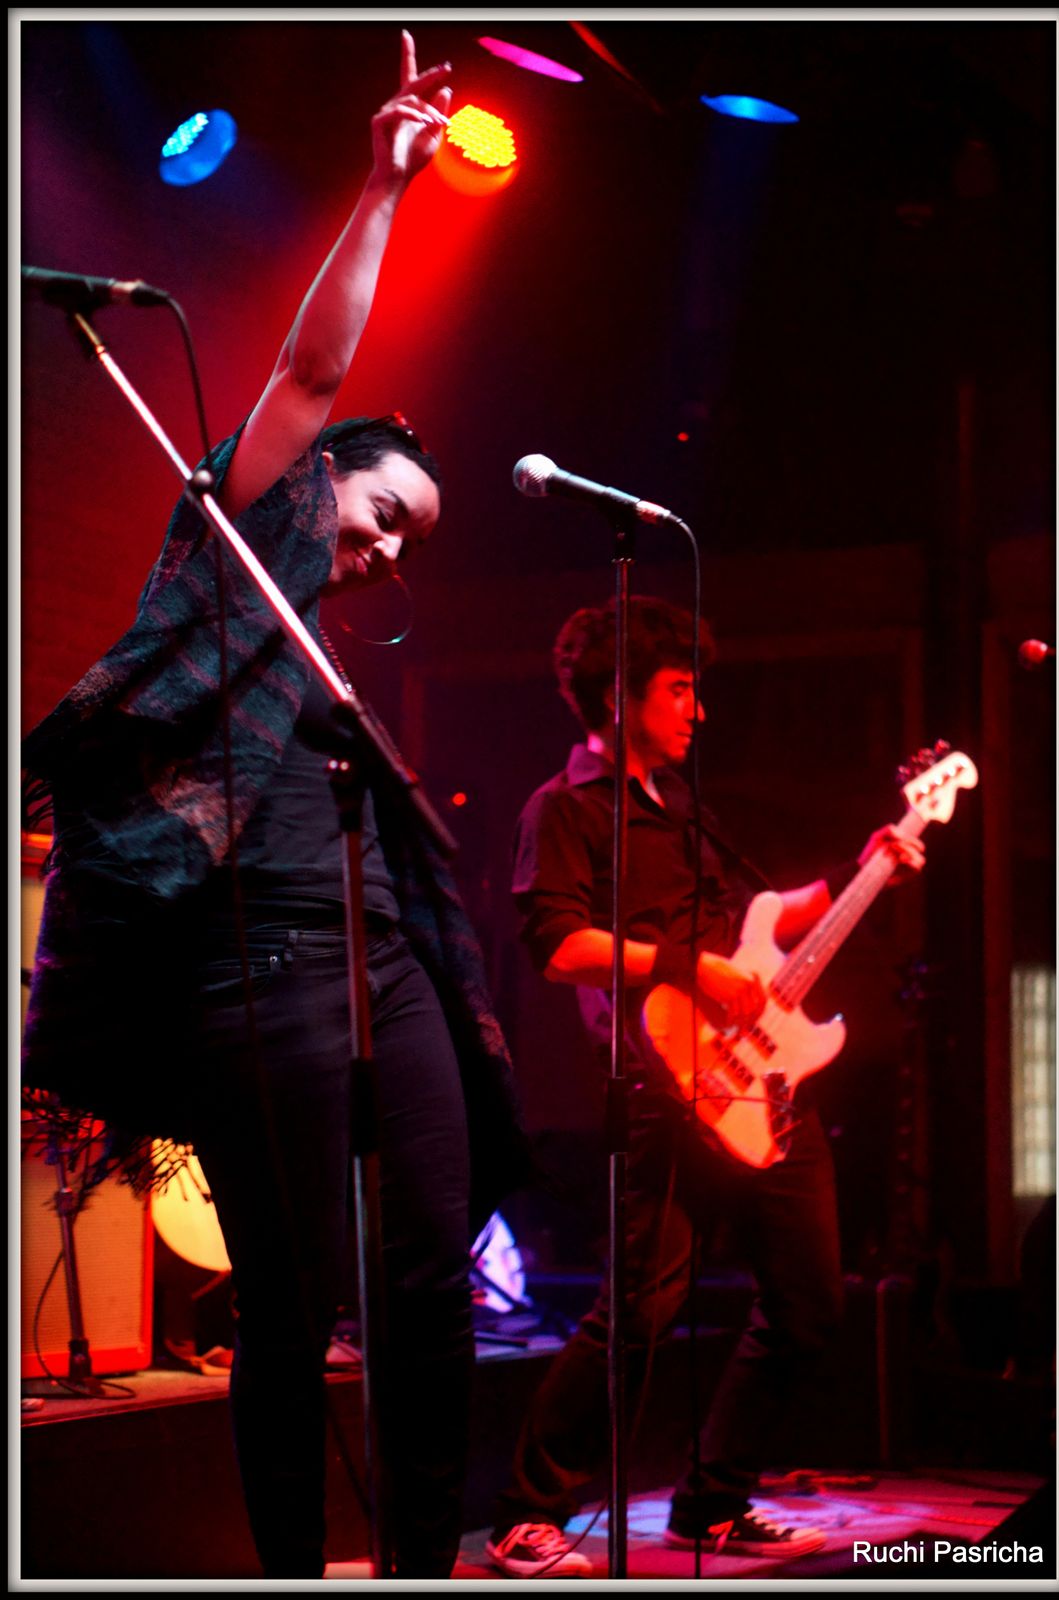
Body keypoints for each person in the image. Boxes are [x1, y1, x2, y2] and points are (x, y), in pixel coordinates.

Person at [22, 33, 527, 1580]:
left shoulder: (319, 654)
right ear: (318, 482)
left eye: (412, 540)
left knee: (428, 1278)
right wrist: (385, 190)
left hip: (384, 959)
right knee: (292, 1308)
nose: (389, 550)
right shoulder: (245, 538)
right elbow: (311, 373)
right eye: (383, 512)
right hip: (260, 971)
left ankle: (426, 1561)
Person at [485, 596, 925, 1577]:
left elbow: (760, 923)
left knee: (808, 1303)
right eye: (681, 690)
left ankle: (713, 1501)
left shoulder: (686, 808)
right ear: (618, 695)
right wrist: (686, 968)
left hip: (763, 1089)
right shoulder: (563, 811)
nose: (699, 710)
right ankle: (527, 1512)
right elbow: (559, 947)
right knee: (638, 1315)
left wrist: (864, 871)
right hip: (664, 1091)